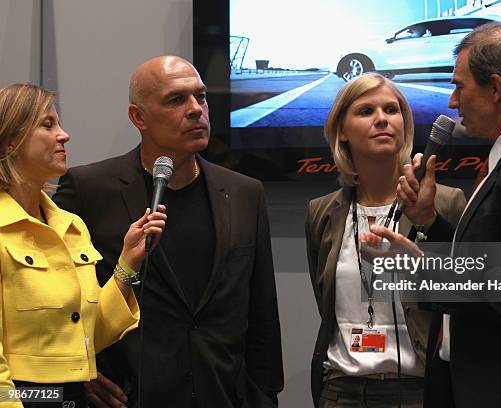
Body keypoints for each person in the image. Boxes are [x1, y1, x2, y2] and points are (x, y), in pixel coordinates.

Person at [366, 22, 501, 408]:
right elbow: (494, 259)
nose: (452, 102)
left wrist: (426, 273)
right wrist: (429, 220)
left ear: (496, 88)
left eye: (459, 86)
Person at [53, 56, 283, 407]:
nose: (196, 109)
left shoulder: (244, 193)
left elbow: (261, 309)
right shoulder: (89, 190)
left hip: (223, 395)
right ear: (138, 117)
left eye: (201, 97)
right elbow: (59, 299)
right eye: (177, 99)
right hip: (129, 395)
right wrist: (77, 372)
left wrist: (264, 396)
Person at [0, 83, 166, 408]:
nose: (64, 135)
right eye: (47, 125)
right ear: (10, 142)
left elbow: (89, 336)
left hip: (74, 399)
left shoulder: (70, 226)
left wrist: (127, 263)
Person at [305, 73, 466, 408]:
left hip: (419, 391)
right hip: (341, 390)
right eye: (366, 111)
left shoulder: (446, 202)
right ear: (343, 132)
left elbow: (466, 293)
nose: (382, 119)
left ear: (405, 125)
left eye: (392, 110)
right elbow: (326, 303)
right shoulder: (322, 212)